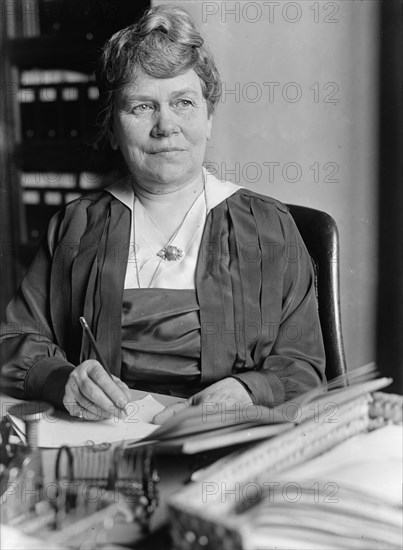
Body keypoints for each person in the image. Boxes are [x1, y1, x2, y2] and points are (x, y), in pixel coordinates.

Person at [0, 5, 325, 423]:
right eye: (141, 107)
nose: (164, 126)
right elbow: (14, 340)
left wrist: (251, 388)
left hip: (229, 441)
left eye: (184, 103)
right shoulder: (75, 226)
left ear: (209, 118)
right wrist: (63, 379)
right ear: (113, 131)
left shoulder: (268, 226)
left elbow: (305, 366)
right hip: (106, 438)